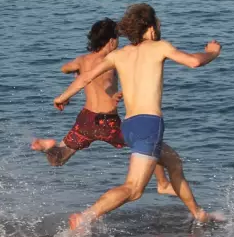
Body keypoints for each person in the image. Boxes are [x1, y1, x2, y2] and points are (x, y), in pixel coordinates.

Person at [53, 3, 221, 230]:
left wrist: (62, 97)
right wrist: (212, 52)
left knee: (173, 162)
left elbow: (84, 79)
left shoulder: (119, 55)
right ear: (151, 27)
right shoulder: (159, 46)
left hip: (129, 126)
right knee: (133, 189)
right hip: (148, 124)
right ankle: (86, 216)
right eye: (158, 22)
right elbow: (194, 61)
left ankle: (199, 214)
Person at [31, 18, 177, 195]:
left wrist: (76, 71)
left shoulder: (82, 60)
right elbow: (107, 81)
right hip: (106, 122)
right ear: (111, 41)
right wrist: (115, 95)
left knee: (58, 159)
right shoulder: (112, 61)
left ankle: (48, 147)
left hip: (85, 120)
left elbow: (65, 68)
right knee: (145, 143)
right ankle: (162, 183)